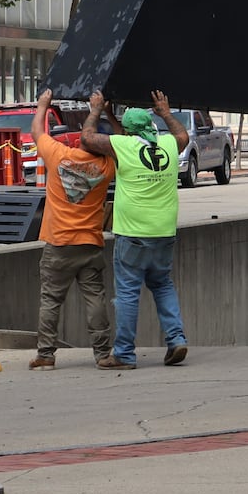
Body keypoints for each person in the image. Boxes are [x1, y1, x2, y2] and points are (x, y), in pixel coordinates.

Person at [80, 88, 189, 369]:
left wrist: (95, 110)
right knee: (162, 284)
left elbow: (88, 138)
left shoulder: (124, 148)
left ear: (127, 132)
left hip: (133, 233)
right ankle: (176, 340)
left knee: (128, 292)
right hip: (164, 232)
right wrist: (166, 113)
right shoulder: (167, 144)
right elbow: (183, 136)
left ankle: (125, 354)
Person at [28, 89, 117, 371]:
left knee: (51, 300)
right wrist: (106, 113)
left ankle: (46, 355)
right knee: (95, 298)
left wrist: (43, 105)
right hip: (90, 243)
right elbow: (125, 143)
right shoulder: (105, 166)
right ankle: (103, 354)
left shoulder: (59, 156)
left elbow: (36, 133)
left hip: (58, 243)